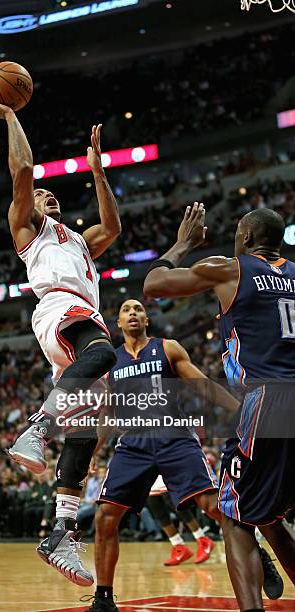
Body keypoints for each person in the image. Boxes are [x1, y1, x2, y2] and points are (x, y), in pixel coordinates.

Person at [0, 91, 121, 586]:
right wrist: (12, 116)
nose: (46, 196)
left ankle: (61, 532)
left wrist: (97, 172)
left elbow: (112, 226)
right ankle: (37, 425)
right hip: (62, 308)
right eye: (42, 195)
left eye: (48, 195)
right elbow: (22, 173)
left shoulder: (78, 239)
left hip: (75, 322)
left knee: (84, 438)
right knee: (105, 351)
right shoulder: (27, 231)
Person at [143, 203, 294, 612]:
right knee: (269, 513)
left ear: (244, 237)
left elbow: (154, 285)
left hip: (267, 399)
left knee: (234, 516)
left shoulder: (231, 268)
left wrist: (180, 245)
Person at [88, 298, 283, 612]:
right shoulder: (111, 361)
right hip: (133, 443)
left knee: (214, 508)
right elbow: (107, 414)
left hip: (174, 436)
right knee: (104, 517)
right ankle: (104, 598)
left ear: (147, 319)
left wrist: (243, 411)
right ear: (119, 324)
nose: (133, 313)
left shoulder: (168, 348)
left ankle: (258, 552)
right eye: (126, 310)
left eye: (138, 309)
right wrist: (90, 454)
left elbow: (202, 385)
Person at [147, 475, 215, 565]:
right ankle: (178, 545)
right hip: (149, 467)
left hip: (166, 466)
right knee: (155, 505)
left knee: (173, 502)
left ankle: (202, 539)